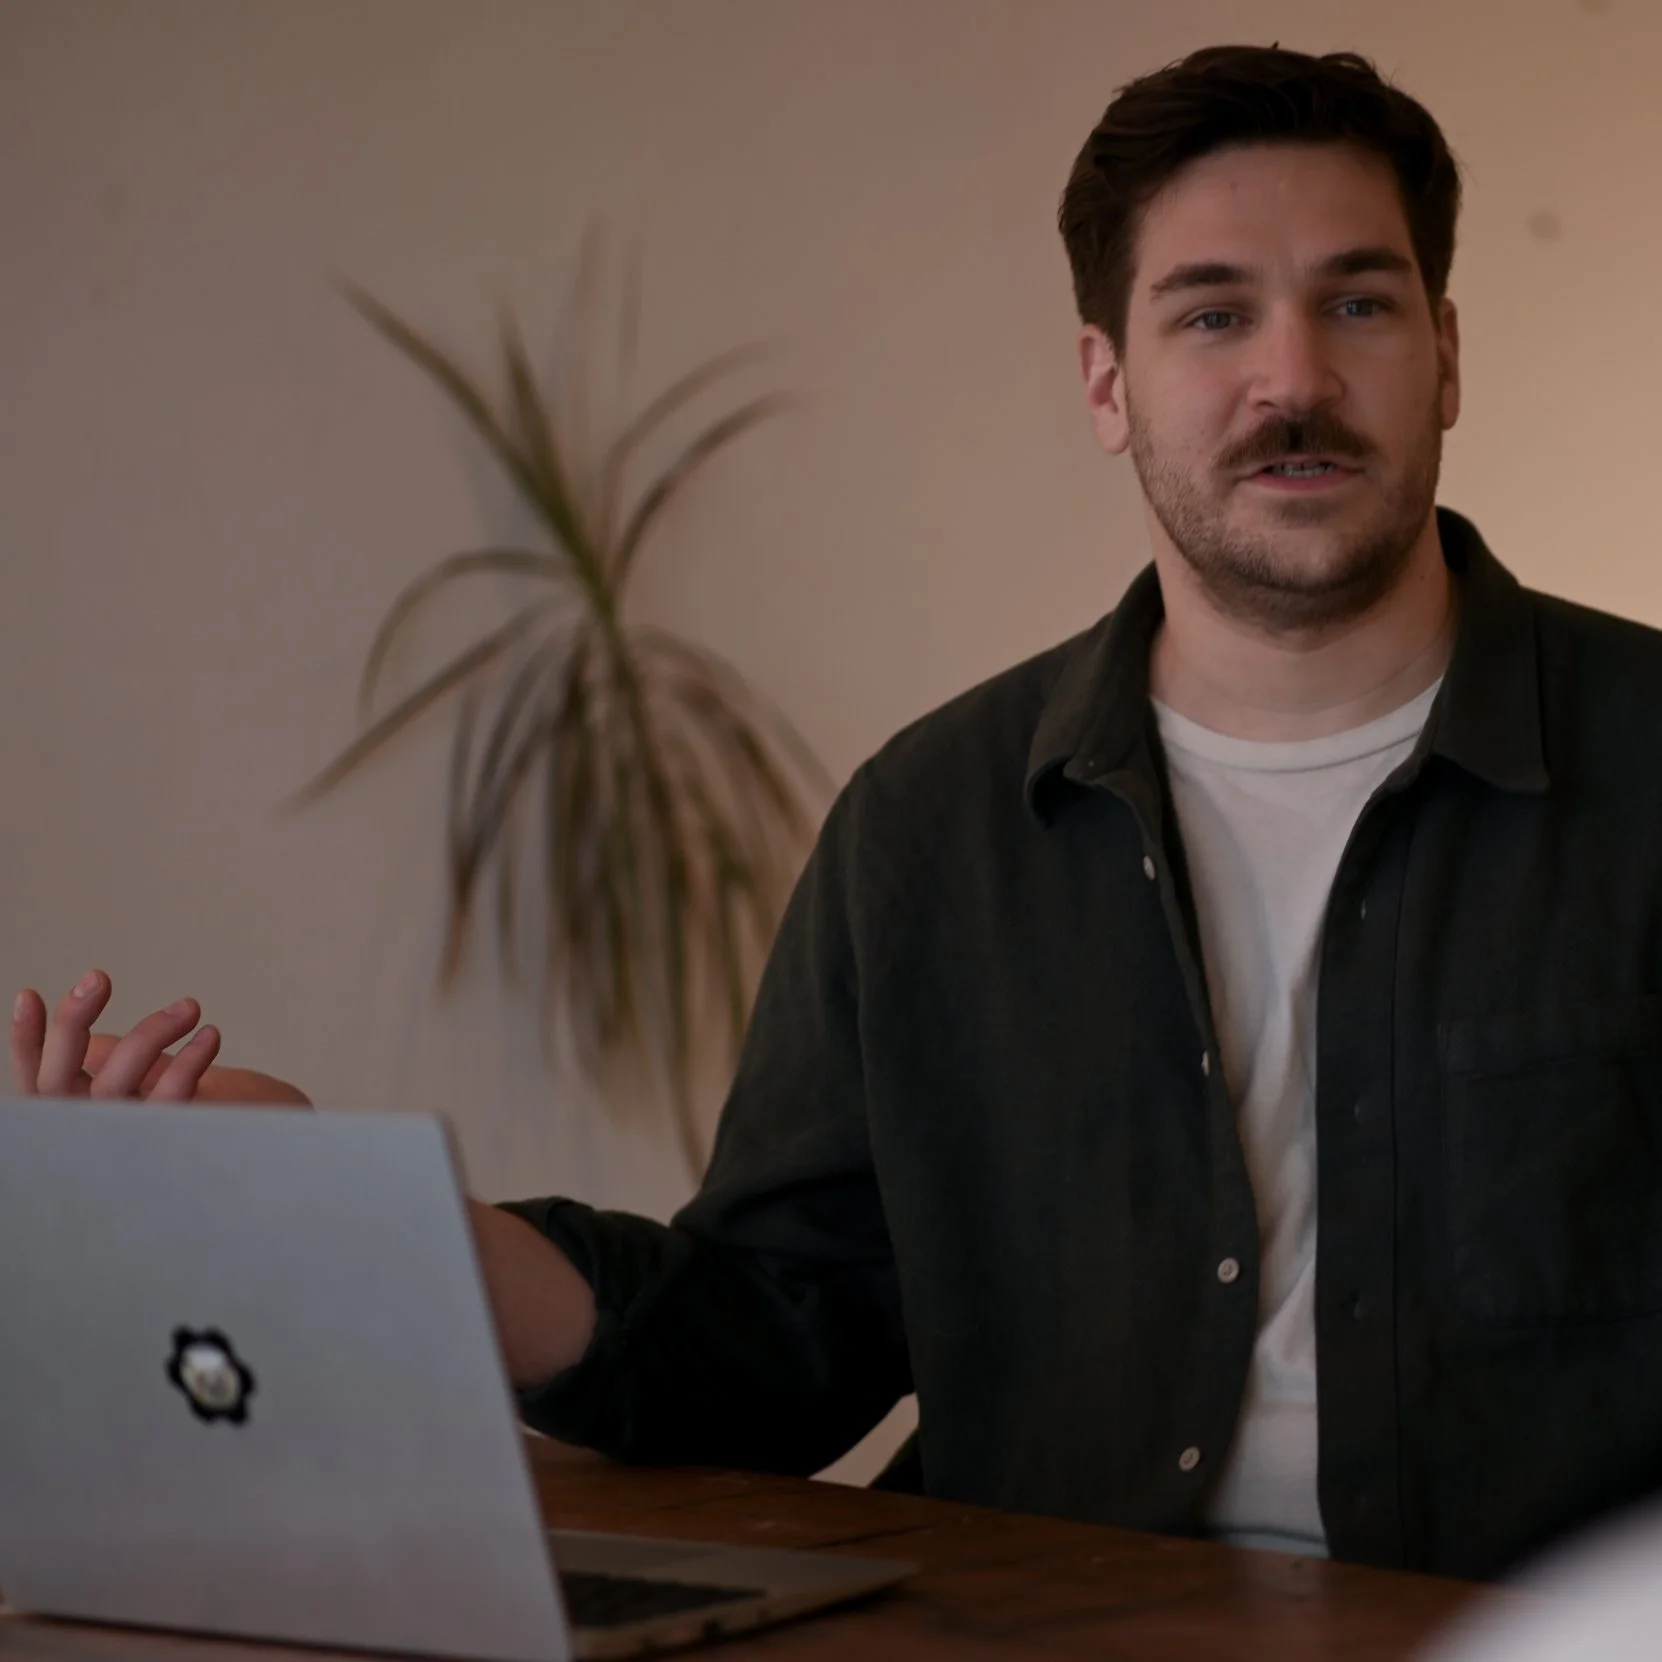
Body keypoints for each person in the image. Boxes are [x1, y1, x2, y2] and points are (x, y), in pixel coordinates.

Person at [16, 43, 1662, 1581]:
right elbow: (772, 1342)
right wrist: (350, 1212)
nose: (1290, 378)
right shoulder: (930, 824)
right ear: (1106, 381)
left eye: (1355, 302)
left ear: (1444, 354)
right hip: (1036, 1624)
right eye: (1211, 316)